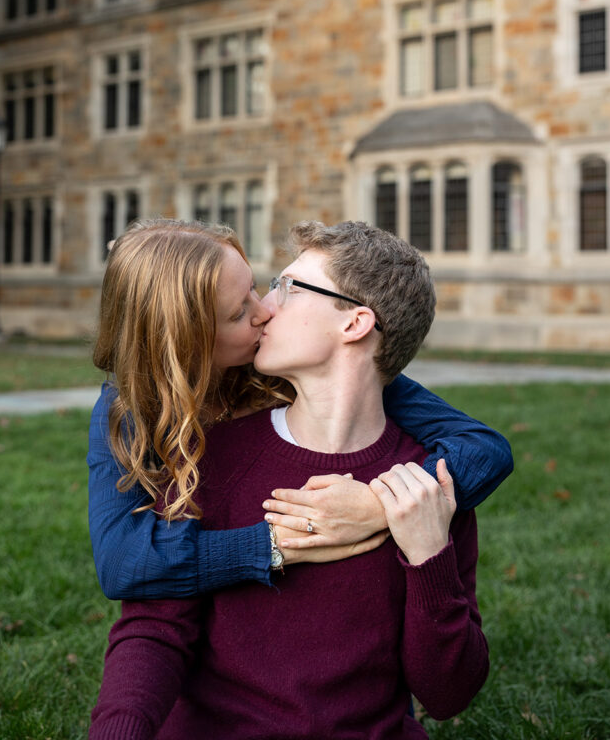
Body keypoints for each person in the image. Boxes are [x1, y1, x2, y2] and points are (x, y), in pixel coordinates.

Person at [89, 221, 490, 739]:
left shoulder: (427, 487)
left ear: (354, 324)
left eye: (286, 287)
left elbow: (448, 694)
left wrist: (425, 550)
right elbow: (152, 619)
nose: (266, 308)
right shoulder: (201, 454)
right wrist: (272, 545)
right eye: (245, 305)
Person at [87, 219, 512, 600]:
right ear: (186, 338)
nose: (265, 310)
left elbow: (484, 448)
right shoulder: (129, 411)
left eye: (257, 287)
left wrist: (377, 508)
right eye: (239, 312)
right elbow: (123, 564)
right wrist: (281, 543)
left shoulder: (285, 372)